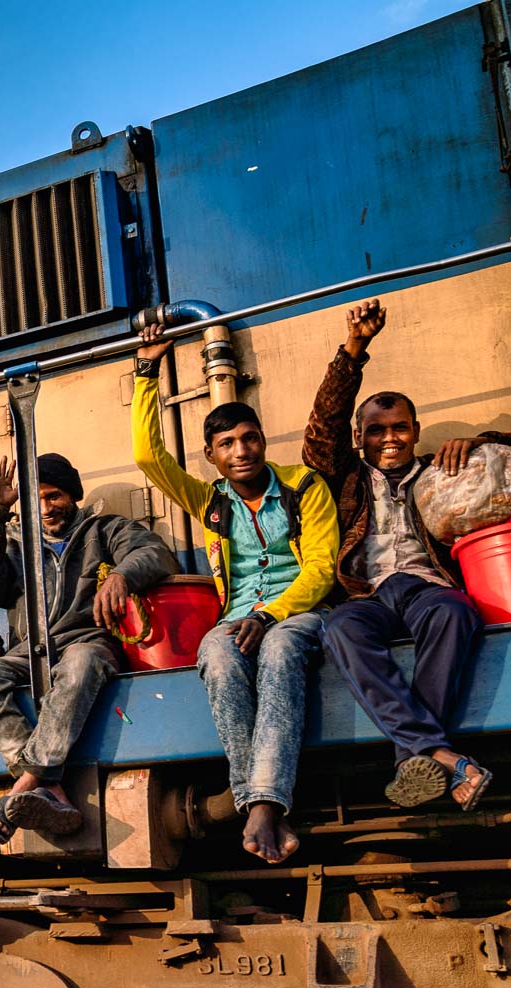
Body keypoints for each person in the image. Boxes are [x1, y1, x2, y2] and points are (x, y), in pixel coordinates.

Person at [302, 300, 511, 811]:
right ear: (360, 437)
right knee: (340, 628)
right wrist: (354, 349)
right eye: (376, 430)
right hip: (367, 594)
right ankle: (439, 752)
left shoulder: (441, 469)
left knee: (456, 611)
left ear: (415, 430)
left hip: (425, 586)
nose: (389, 438)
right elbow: (322, 428)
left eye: (400, 428)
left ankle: (416, 756)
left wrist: (478, 442)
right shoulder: (344, 476)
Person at [132, 324, 340, 863]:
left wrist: (271, 614)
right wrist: (146, 373)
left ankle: (262, 803)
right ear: (212, 455)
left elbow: (321, 569)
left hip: (299, 613)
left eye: (249, 439)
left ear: (263, 442)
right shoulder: (210, 501)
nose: (241, 450)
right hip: (235, 618)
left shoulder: (304, 487)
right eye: (227, 444)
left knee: (277, 650)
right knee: (217, 657)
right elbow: (148, 456)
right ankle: (261, 801)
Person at [0, 452, 176, 842]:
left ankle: (25, 786)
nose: (45, 508)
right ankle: (47, 787)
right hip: (31, 650)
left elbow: (156, 553)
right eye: (35, 500)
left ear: (72, 495)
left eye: (54, 496)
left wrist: (122, 575)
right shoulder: (14, 545)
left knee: (80, 667)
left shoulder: (103, 530)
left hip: (88, 641)